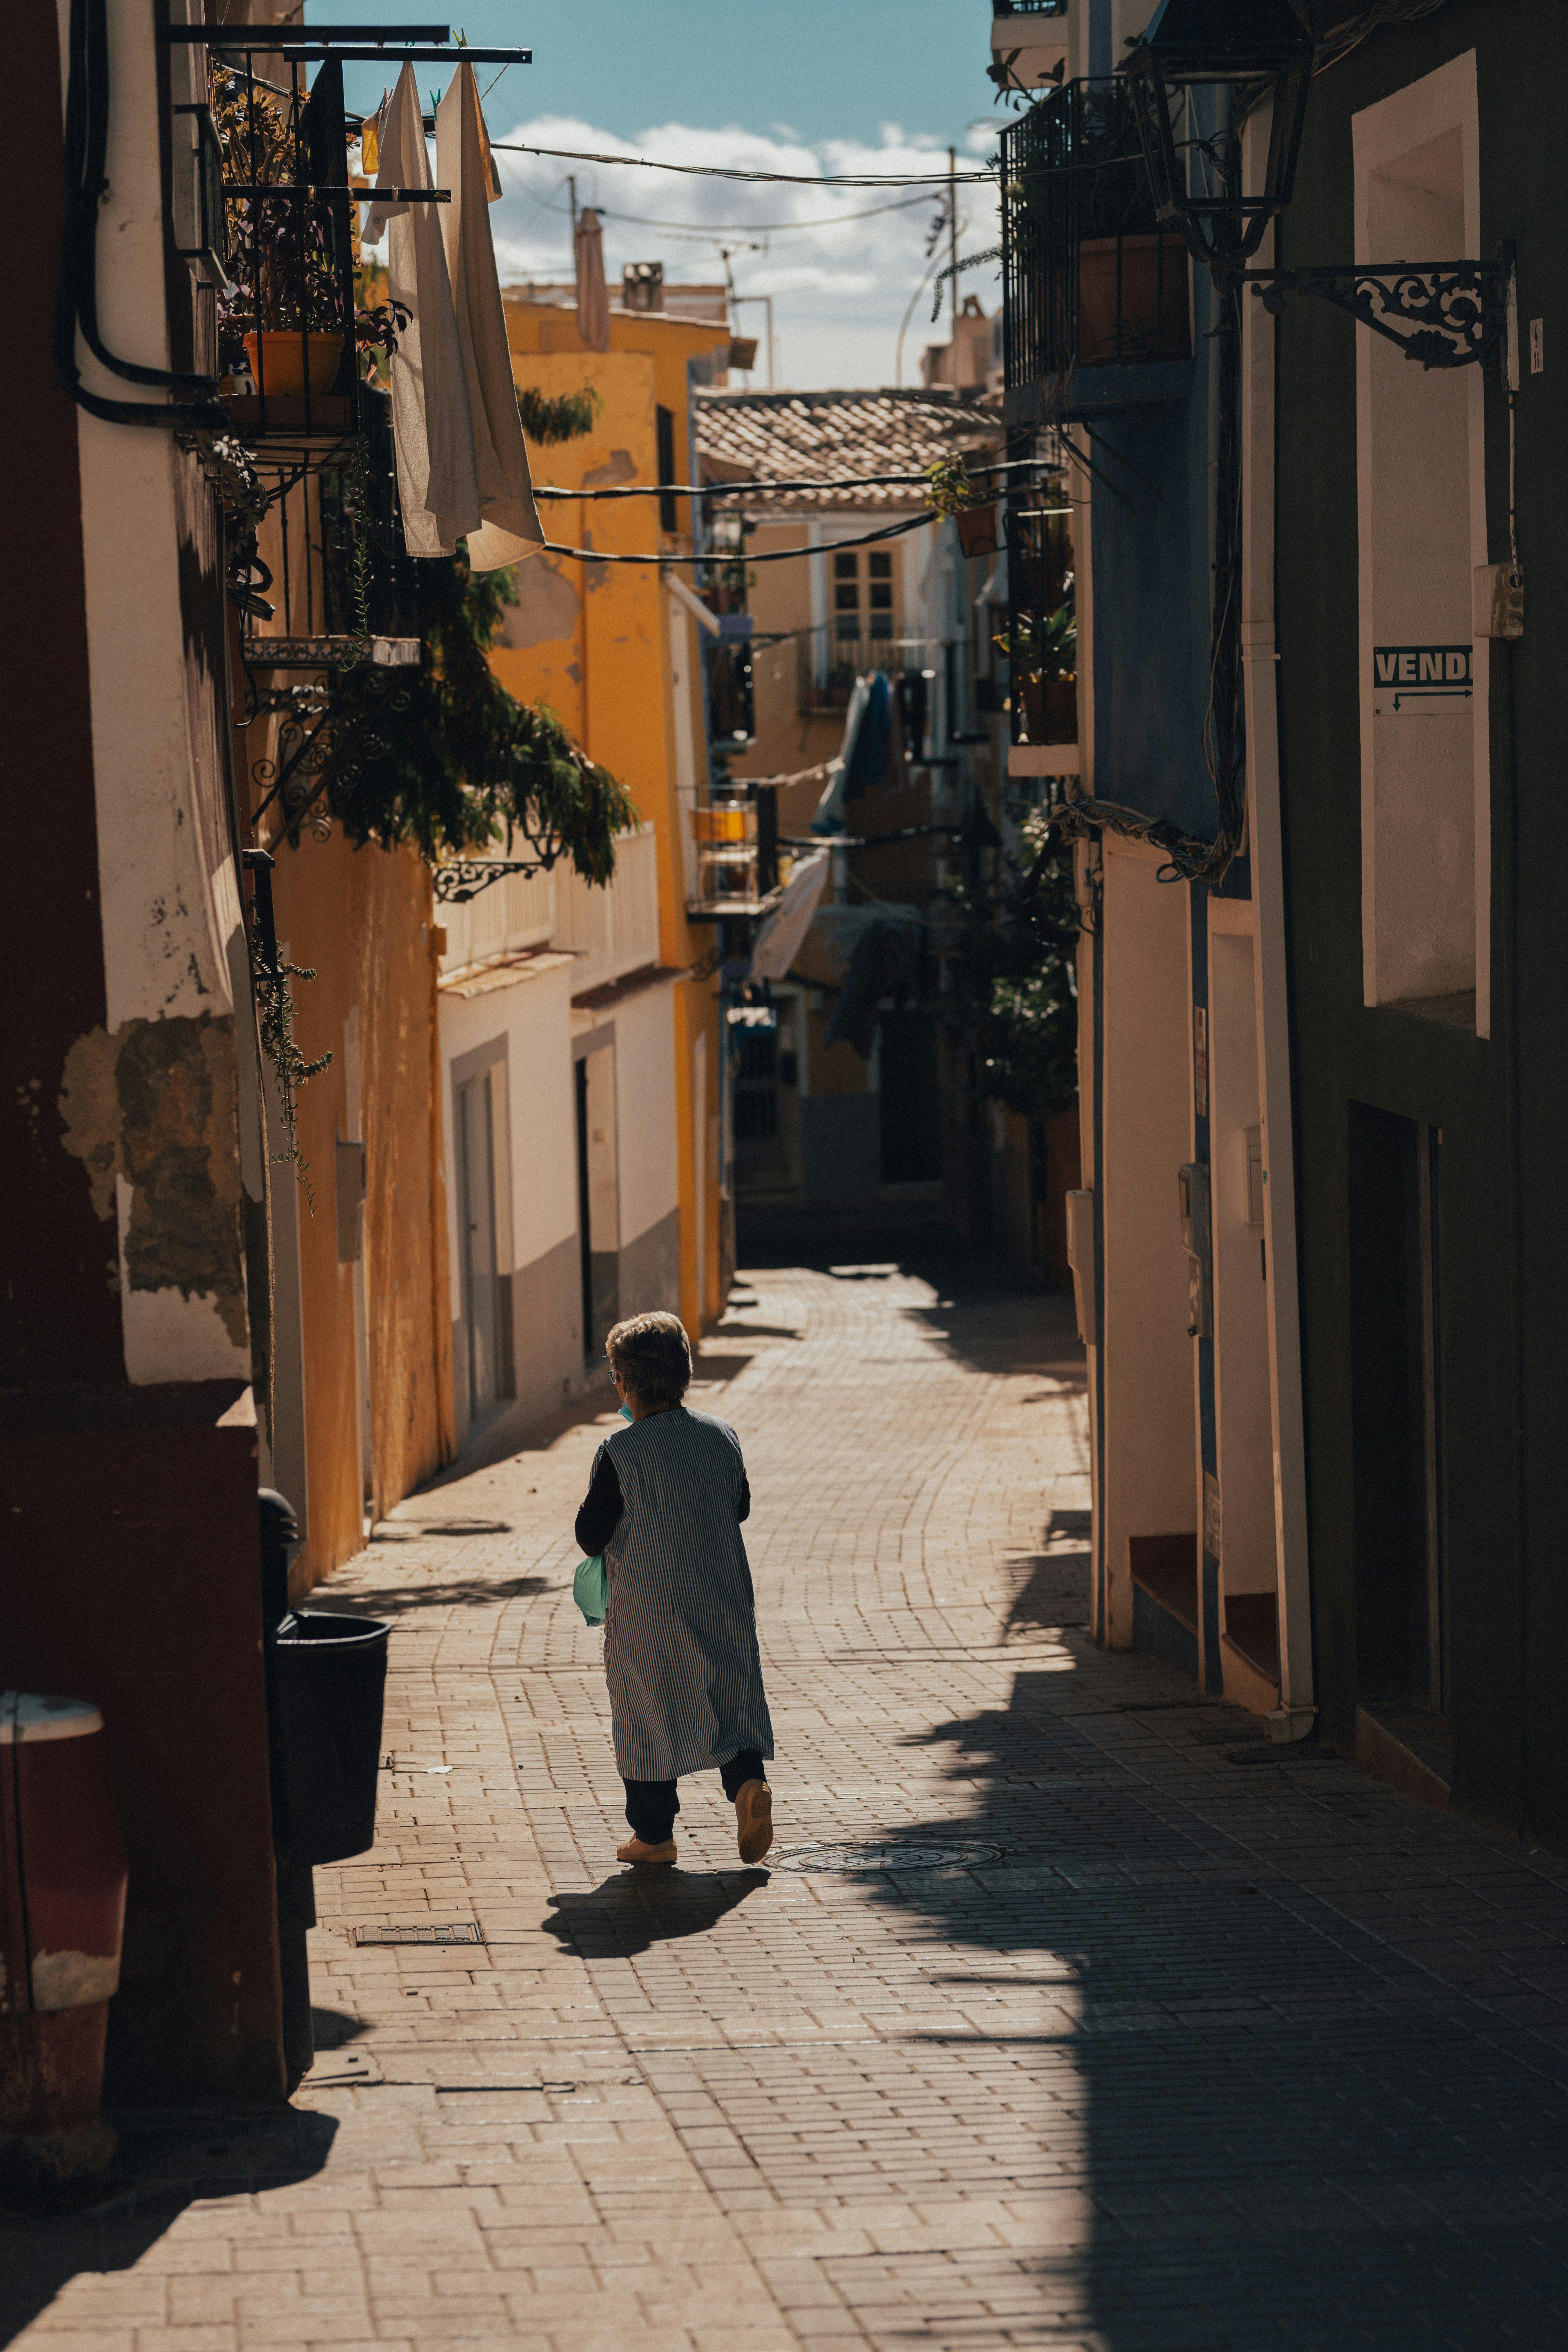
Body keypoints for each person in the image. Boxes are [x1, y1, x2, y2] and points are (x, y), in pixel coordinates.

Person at [573, 1310, 775, 1867]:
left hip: (648, 1613)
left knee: (646, 1710)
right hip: (723, 1599)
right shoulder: (722, 1437)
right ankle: (747, 1787)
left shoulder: (621, 1452)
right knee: (730, 1698)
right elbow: (740, 1507)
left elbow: (591, 1536)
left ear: (625, 1382)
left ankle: (654, 1836)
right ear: (684, 1371)